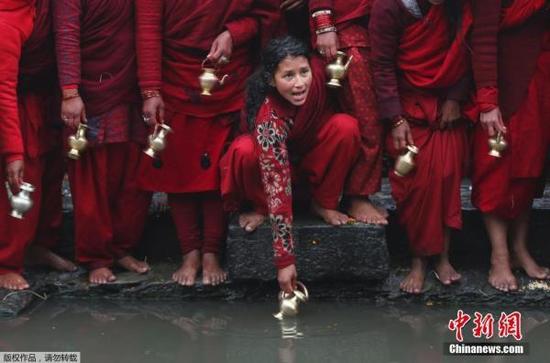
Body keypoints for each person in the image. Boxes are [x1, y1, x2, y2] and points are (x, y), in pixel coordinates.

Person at [134, 0, 280, 286]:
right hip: (175, 75)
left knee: (217, 168)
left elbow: (264, 14)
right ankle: (189, 252)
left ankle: (212, 251)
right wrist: (150, 90)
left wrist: (233, 33)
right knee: (179, 167)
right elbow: (147, 30)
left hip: (227, 76)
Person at [220, 36, 361, 293]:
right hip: (272, 178)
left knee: (346, 127)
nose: (299, 84)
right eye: (288, 76)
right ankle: (260, 208)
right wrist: (285, 262)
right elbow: (277, 185)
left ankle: (324, 202)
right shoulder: (268, 116)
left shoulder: (320, 75)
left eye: (303, 72)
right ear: (271, 80)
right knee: (244, 150)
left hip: (308, 166)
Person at [369, 0, 473, 293]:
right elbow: (382, 65)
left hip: (445, 107)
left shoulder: (456, 6)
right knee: (415, 183)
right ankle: (418, 259)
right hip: (407, 105)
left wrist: (455, 98)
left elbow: (464, 52)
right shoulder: (389, 7)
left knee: (446, 176)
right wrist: (396, 119)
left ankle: (442, 257)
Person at [54, 0, 151, 284]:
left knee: (132, 173)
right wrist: (70, 93)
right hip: (88, 91)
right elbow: (66, 35)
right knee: (90, 180)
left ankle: (121, 248)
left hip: (131, 85)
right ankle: (95, 257)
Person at [470, 0, 550, 292]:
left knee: (529, 171)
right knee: (495, 173)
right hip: (503, 86)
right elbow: (483, 39)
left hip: (538, 83)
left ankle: (519, 248)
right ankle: (499, 256)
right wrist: (488, 101)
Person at [0, 0, 76, 291]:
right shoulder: (7, 18)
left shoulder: (43, 6)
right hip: (16, 106)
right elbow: (3, 90)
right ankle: (6, 261)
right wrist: (12, 151)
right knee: (21, 180)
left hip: (45, 99)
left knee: (53, 171)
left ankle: (39, 245)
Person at [308, 0, 387, 225]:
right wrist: (324, 26)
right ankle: (357, 196)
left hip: (372, 26)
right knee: (367, 117)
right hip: (345, 32)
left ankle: (350, 193)